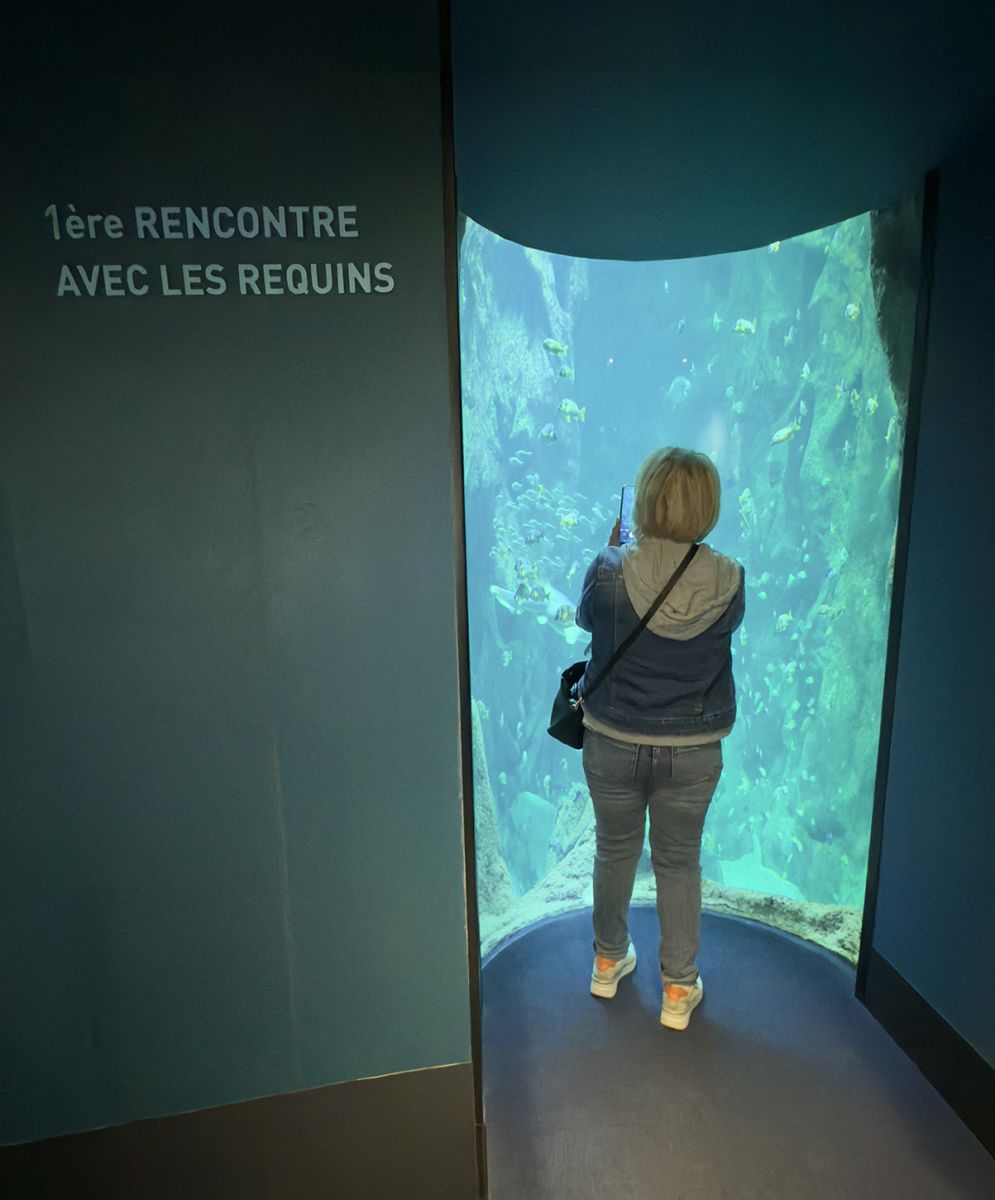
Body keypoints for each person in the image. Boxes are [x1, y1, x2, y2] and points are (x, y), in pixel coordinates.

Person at [575, 446, 745, 1030]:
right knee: (678, 862)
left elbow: (586, 621)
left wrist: (615, 554)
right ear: (707, 506)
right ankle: (678, 988)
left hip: (613, 739)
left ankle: (607, 960)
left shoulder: (608, 569)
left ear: (644, 500)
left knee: (614, 849)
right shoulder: (731, 579)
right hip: (694, 750)